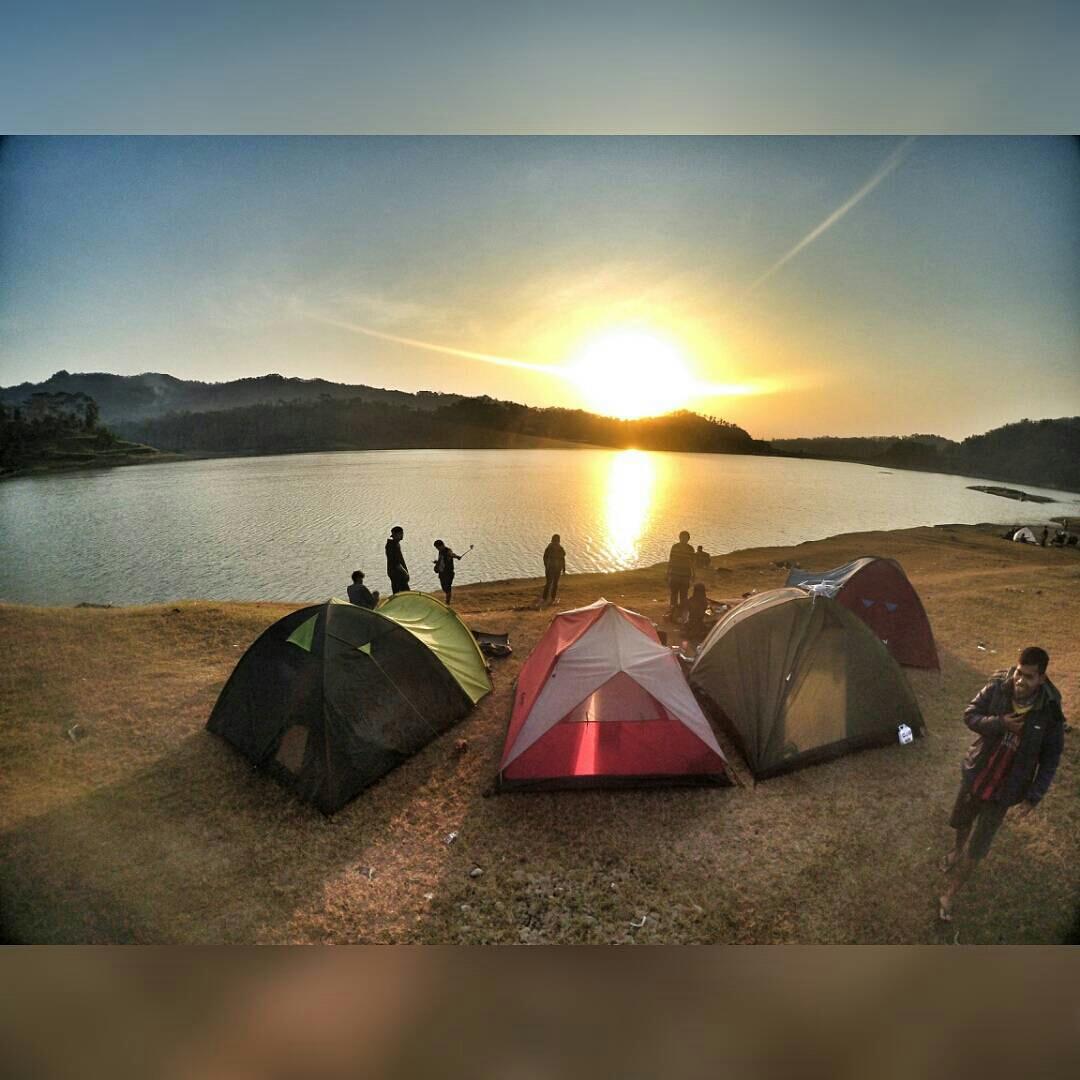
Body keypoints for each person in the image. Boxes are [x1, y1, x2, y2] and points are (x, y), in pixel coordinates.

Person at [938, 645, 1066, 923]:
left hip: (1005, 791)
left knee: (979, 845)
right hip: (977, 775)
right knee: (962, 821)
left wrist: (1034, 796)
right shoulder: (998, 686)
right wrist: (999, 723)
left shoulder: (1051, 712)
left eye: (1029, 677)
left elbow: (1051, 758)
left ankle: (950, 894)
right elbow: (970, 714)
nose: (1020, 681)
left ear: (1042, 678)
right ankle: (956, 850)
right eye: (1019, 672)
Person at [667, 530, 695, 620]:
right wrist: (667, 572)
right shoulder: (674, 547)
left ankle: (682, 613)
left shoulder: (690, 549)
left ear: (688, 539)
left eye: (685, 538)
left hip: (685, 575)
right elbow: (670, 560)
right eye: (682, 537)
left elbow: (692, 563)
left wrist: (693, 574)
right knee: (674, 594)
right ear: (679, 538)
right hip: (675, 574)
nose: (683, 539)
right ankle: (673, 612)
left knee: (684, 595)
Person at [433, 539, 471, 605]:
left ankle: (447, 602)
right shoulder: (440, 552)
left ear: (441, 545)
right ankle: (447, 600)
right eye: (436, 548)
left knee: (447, 588)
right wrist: (437, 562)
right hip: (442, 573)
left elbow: (451, 554)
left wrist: (457, 557)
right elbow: (442, 560)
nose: (437, 549)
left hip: (448, 573)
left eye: (437, 547)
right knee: (444, 587)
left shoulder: (447, 551)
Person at [542, 534, 566, 606]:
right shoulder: (560, 548)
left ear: (552, 540)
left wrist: (546, 565)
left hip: (551, 568)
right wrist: (564, 568)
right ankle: (552, 598)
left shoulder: (549, 547)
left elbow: (544, 558)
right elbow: (563, 559)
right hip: (556, 568)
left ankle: (545, 598)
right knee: (554, 584)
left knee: (549, 583)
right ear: (559, 540)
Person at [385, 525, 410, 594]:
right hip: (397, 574)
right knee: (404, 594)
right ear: (396, 534)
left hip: (396, 573)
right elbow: (396, 562)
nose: (402, 535)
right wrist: (405, 572)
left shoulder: (395, 544)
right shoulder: (392, 545)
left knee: (401, 593)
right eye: (401, 533)